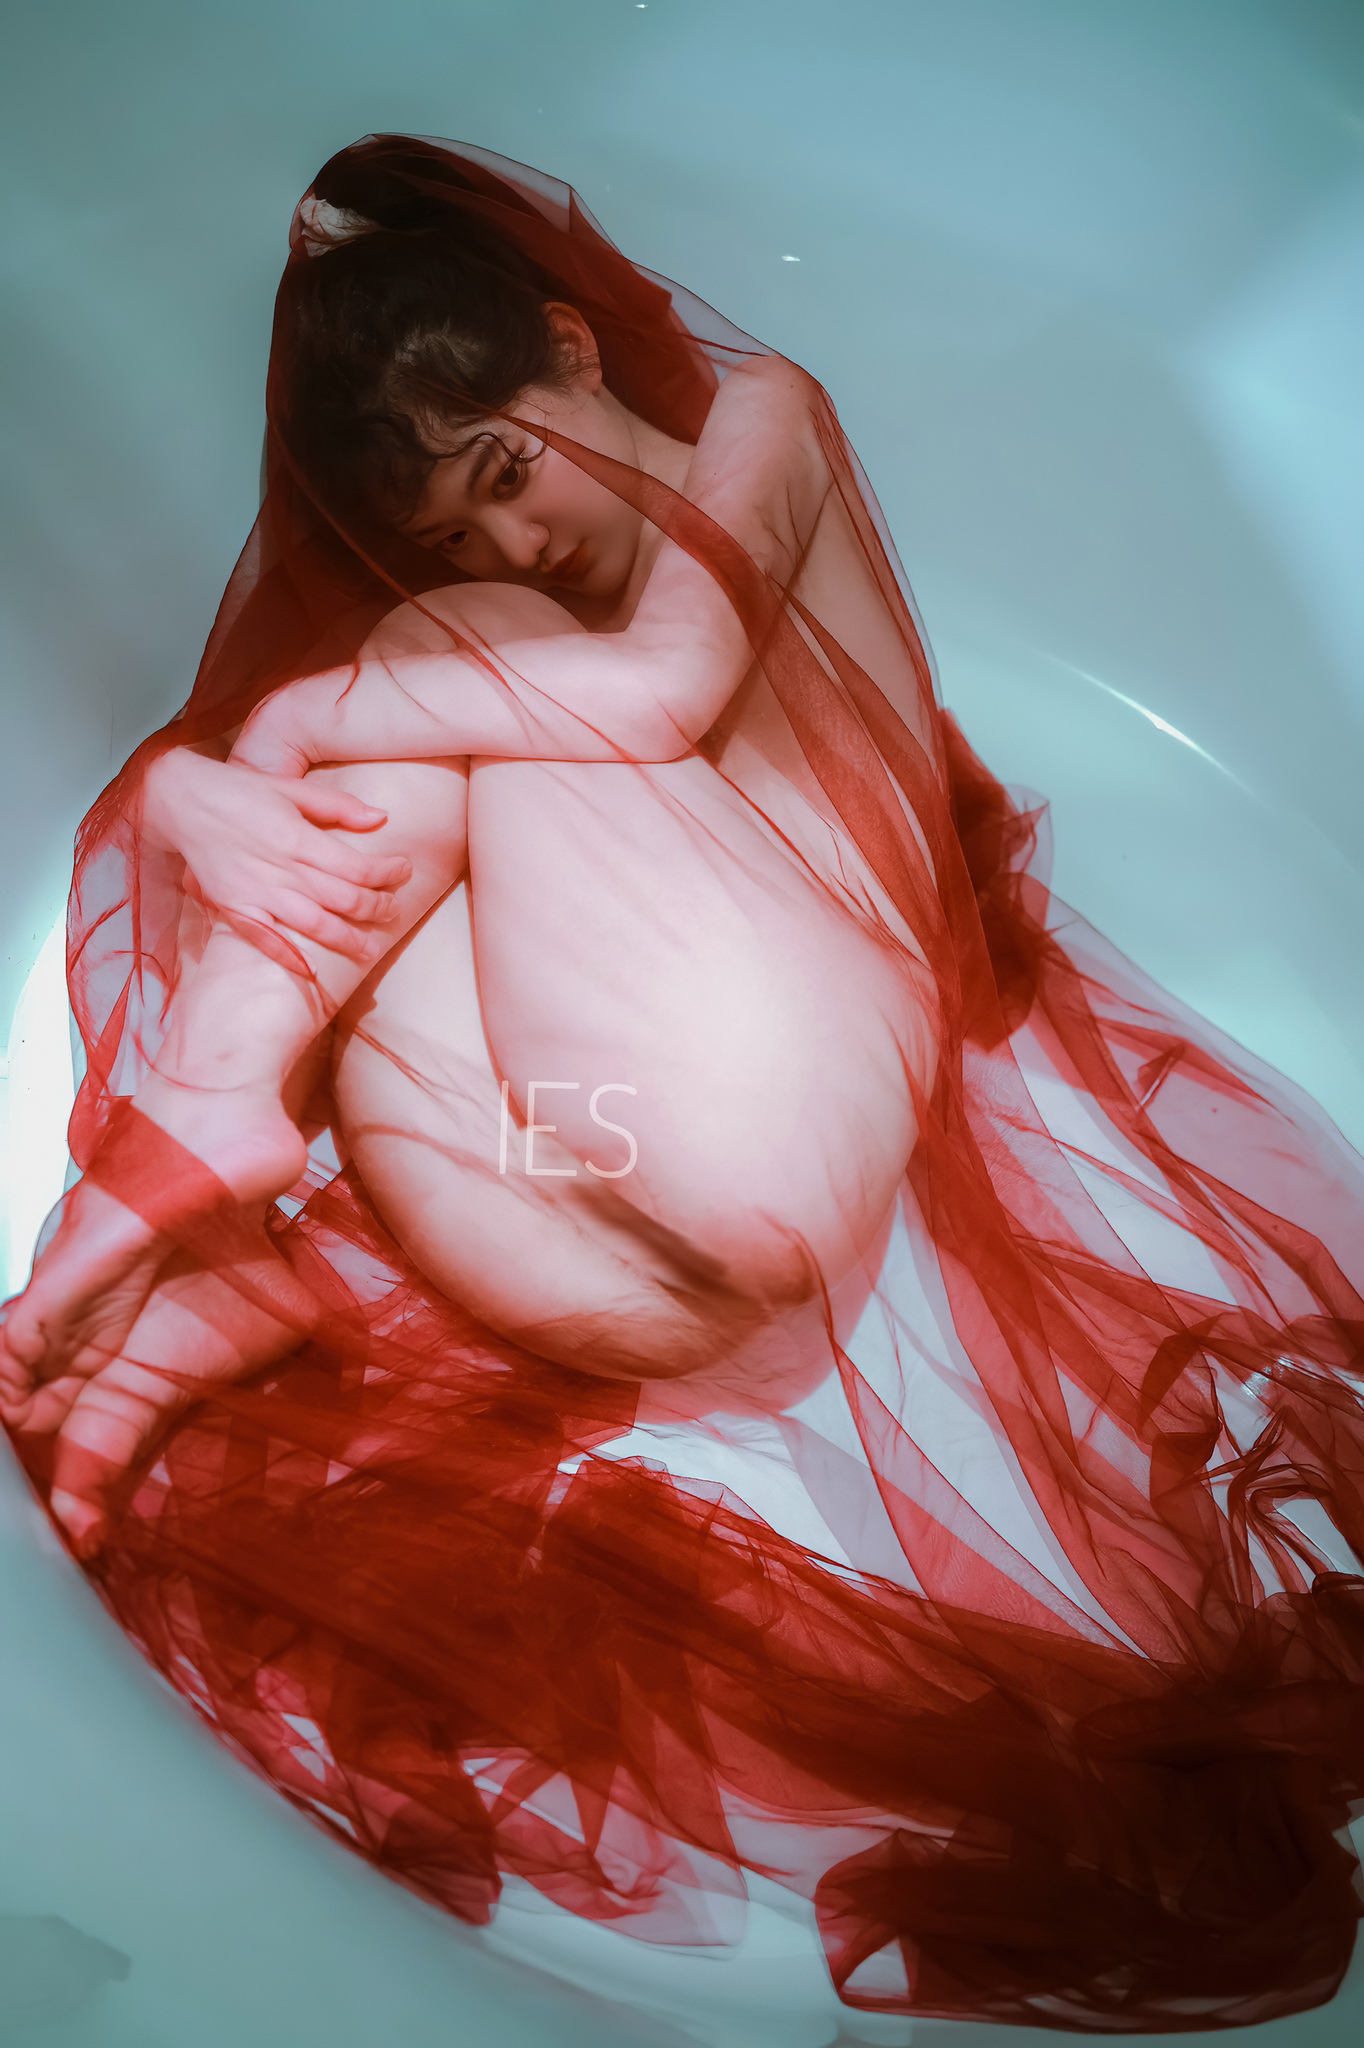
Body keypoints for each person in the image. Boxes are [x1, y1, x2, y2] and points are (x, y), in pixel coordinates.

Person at [4, 134, 1364, 2035]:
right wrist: (215, 785)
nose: (513, 545)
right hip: (576, 1222)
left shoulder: (760, 418)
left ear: (575, 347)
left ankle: (196, 1145)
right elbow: (461, 785)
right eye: (456, 531)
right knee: (425, 747)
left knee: (446, 676)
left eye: (507, 474)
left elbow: (658, 687)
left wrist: (247, 749)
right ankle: (236, 1204)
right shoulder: (544, 706)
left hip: (743, 1137)